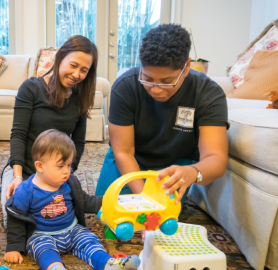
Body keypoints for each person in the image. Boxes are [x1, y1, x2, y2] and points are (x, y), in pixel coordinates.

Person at [95, 24, 229, 207]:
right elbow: (123, 151)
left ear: (187, 66)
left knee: (164, 217)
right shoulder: (125, 86)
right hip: (131, 157)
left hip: (177, 165)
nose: (156, 90)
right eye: (148, 80)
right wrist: (145, 197)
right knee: (109, 207)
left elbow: (216, 158)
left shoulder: (208, 94)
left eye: (167, 82)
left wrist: (192, 172)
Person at [4, 129, 140, 270]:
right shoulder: (26, 190)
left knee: (89, 240)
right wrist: (13, 247)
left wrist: (110, 201)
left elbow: (87, 201)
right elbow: (16, 218)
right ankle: (55, 267)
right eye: (60, 166)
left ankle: (109, 264)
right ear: (40, 166)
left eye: (68, 165)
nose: (66, 171)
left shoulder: (69, 183)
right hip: (42, 235)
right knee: (42, 249)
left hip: (72, 230)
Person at [1, 35, 98, 225]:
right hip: (24, 170)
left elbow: (78, 142)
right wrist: (18, 177)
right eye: (73, 65)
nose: (77, 74)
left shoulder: (80, 98)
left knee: (64, 219)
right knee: (17, 222)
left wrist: (64, 172)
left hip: (55, 173)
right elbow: (18, 135)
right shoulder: (30, 88)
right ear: (60, 58)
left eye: (84, 70)